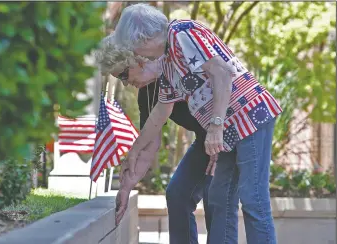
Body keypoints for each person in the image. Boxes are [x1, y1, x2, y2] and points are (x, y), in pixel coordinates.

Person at [111, 3, 283, 244]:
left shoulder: (181, 34)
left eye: (132, 45)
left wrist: (215, 126)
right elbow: (161, 111)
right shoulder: (167, 60)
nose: (134, 52)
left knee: (253, 199)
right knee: (219, 198)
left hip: (249, 117)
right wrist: (134, 151)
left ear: (142, 36)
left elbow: (222, 73)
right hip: (229, 129)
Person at [95, 33, 220, 244]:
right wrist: (126, 187)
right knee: (178, 195)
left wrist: (222, 136)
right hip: (204, 140)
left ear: (137, 57)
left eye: (124, 75)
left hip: (229, 130)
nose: (126, 84)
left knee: (214, 196)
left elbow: (222, 84)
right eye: (119, 79)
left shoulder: (177, 64)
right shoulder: (148, 92)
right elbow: (149, 144)